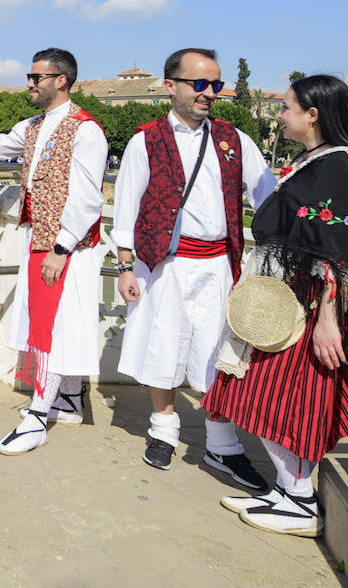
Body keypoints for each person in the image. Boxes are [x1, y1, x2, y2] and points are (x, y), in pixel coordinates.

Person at [205, 75, 348, 536]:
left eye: (286, 108)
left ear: (313, 115)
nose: (280, 115)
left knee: (284, 399)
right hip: (289, 300)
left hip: (308, 310)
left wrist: (328, 319)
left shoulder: (343, 166)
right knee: (263, 395)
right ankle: (289, 490)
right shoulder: (319, 160)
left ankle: (300, 500)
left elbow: (343, 249)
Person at [112, 48, 276, 487]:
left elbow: (268, 198)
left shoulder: (234, 139)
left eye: (216, 85)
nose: (209, 93)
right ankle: (163, 427)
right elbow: (126, 207)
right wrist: (125, 266)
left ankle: (223, 445)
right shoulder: (144, 139)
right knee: (161, 345)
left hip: (220, 263)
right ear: (171, 86)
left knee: (218, 353)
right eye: (199, 84)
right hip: (163, 263)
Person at [0, 48, 108, 454]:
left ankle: (39, 414)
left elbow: (87, 198)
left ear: (61, 80)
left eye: (36, 77)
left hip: (63, 246)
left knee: (49, 327)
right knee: (52, 323)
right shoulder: (34, 126)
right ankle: (69, 400)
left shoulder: (86, 130)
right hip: (44, 240)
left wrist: (61, 246)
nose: (29, 83)